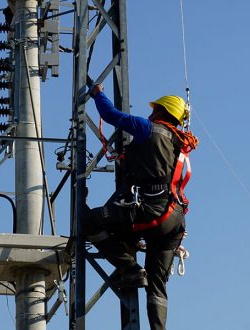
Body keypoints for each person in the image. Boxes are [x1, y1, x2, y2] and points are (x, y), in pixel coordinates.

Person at [84, 84, 198, 329]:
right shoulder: (181, 144)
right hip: (175, 221)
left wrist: (97, 94)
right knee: (158, 285)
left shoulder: (148, 128)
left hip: (152, 212)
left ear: (160, 111)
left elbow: (110, 115)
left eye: (154, 109)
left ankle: (131, 267)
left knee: (90, 221)